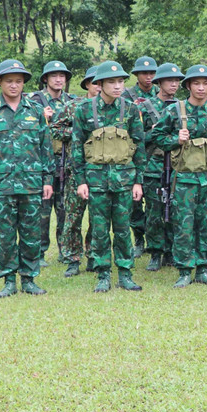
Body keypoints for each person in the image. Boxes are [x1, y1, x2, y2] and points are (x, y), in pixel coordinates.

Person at [0, 59, 54, 298]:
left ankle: (29, 279)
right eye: (9, 81)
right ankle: (9, 280)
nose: (14, 85)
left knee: (31, 234)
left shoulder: (36, 111)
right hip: (1, 184)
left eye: (19, 81)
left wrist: (47, 179)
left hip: (31, 184)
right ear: (0, 82)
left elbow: (45, 147)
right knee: (5, 235)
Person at [149, 64, 207, 286]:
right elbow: (157, 137)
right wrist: (176, 139)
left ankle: (203, 268)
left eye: (205, 84)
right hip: (183, 179)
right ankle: (185, 270)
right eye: (197, 83)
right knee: (183, 226)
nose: (201, 88)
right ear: (189, 86)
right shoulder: (175, 110)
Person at [71, 62, 146, 292]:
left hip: (124, 180)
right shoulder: (84, 110)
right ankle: (103, 274)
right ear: (99, 84)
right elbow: (77, 147)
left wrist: (138, 181)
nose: (117, 86)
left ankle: (125, 274)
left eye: (121, 81)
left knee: (123, 228)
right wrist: (81, 181)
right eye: (112, 82)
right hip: (96, 181)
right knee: (100, 229)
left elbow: (139, 146)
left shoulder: (131, 110)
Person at [50, 64, 100, 277]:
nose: (99, 87)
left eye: (103, 82)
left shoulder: (115, 108)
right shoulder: (74, 106)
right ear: (87, 84)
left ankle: (93, 256)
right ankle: (72, 258)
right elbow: (54, 128)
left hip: (101, 171)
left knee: (98, 219)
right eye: (95, 83)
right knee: (72, 218)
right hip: (75, 172)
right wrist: (77, 131)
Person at [139, 62, 184, 272]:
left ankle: (172, 252)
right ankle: (155, 252)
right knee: (154, 213)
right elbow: (136, 138)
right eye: (169, 80)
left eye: (176, 81)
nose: (174, 84)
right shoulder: (145, 107)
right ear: (159, 83)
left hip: (177, 166)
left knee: (176, 210)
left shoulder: (182, 108)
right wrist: (153, 133)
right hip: (153, 166)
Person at [30, 60, 74, 267]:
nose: (59, 79)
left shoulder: (72, 102)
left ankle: (65, 250)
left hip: (66, 163)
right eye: (54, 75)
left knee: (65, 210)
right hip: (42, 165)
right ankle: (39, 252)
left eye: (62, 76)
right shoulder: (33, 101)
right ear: (45, 79)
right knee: (42, 212)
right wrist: (40, 116)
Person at [122, 56, 159, 258]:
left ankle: (157, 243)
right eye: (145, 73)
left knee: (156, 204)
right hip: (133, 155)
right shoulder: (127, 96)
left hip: (156, 159)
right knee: (134, 203)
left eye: (152, 73)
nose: (149, 77)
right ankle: (138, 238)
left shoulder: (161, 94)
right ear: (136, 75)